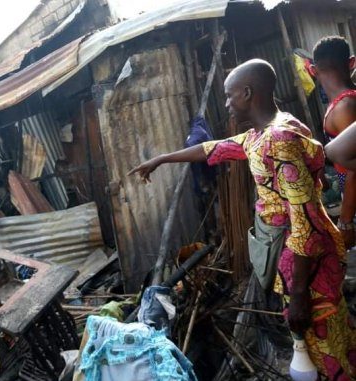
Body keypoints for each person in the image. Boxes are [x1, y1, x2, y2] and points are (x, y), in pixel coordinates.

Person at [129, 59, 356, 379]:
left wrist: (301, 294)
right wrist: (162, 159)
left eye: (229, 95)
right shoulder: (263, 135)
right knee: (330, 338)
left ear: (248, 93)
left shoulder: (280, 140)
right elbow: (215, 149)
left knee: (325, 345)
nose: (226, 104)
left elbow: (303, 219)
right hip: (301, 261)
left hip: (310, 265)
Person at [311, 36, 356, 249]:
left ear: (312, 70)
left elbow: (354, 170)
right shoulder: (341, 103)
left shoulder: (344, 107)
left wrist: (345, 221)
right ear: (352, 63)